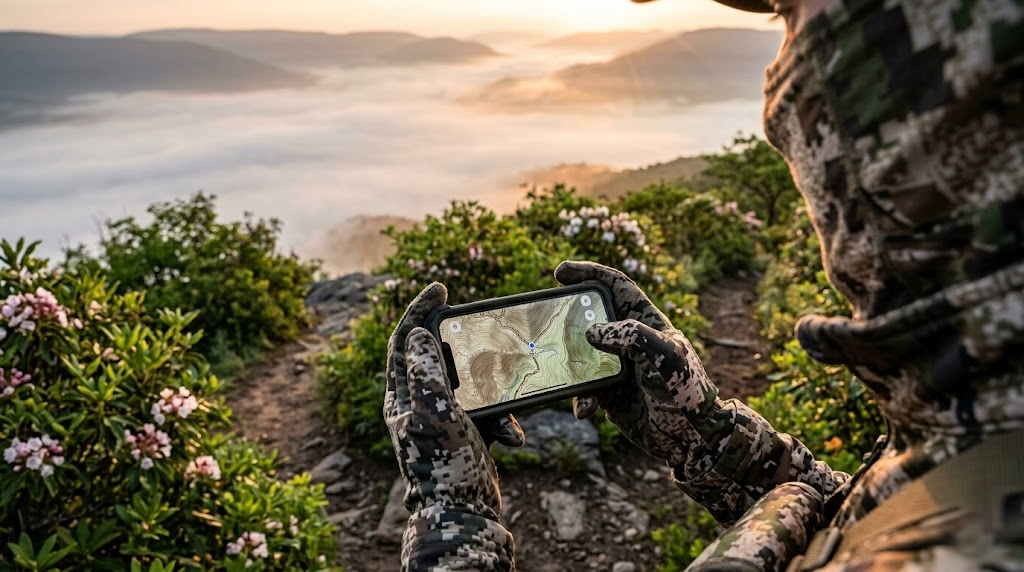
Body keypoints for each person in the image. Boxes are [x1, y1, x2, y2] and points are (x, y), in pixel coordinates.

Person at [383, 0, 1024, 569]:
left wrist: (452, 511)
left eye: (795, 15)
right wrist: (699, 431)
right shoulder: (976, 435)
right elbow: (859, 517)